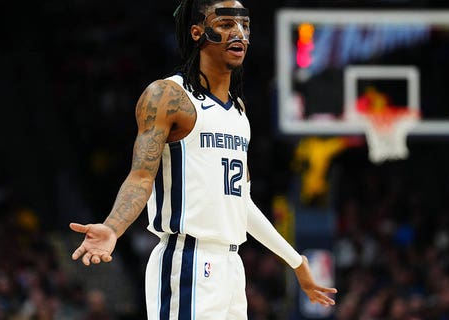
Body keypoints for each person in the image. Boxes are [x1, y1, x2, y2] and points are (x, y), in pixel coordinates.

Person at [69, 0, 338, 318]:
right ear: (197, 32)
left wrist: (296, 261)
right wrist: (113, 227)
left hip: (231, 268)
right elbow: (141, 176)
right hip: (188, 261)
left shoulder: (238, 111)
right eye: (225, 24)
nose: (238, 33)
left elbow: (242, 204)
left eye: (245, 26)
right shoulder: (167, 96)